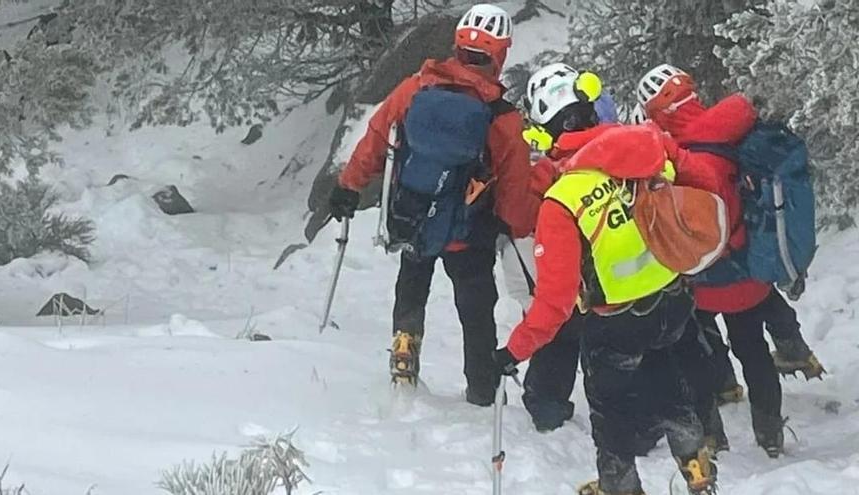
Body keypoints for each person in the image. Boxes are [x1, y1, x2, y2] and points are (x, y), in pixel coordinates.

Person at [492, 64, 717, 495]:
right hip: (672, 300)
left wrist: (514, 351)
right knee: (665, 374)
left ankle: (620, 485)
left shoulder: (562, 202)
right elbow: (703, 182)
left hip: (615, 322)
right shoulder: (648, 145)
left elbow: (554, 302)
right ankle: (696, 465)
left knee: (610, 415)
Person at [328, 4, 537, 406]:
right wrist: (519, 225)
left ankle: (405, 342)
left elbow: (376, 139)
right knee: (476, 307)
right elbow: (513, 196)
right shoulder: (503, 119)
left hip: (414, 215)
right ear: (500, 54)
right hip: (469, 230)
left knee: (412, 282)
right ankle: (481, 386)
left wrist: (348, 186)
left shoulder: (416, 87)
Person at [636, 63, 825, 457]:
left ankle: (712, 435)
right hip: (746, 273)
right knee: (753, 351)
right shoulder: (733, 132)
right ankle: (770, 432)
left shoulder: (670, 155)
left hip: (700, 282)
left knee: (699, 357)